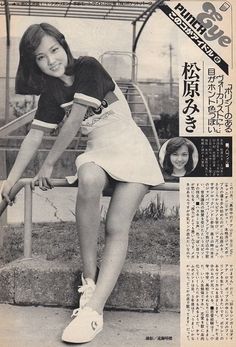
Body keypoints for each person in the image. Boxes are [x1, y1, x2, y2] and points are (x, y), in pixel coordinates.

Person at [1, 23, 164, 344]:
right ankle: (89, 281)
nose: (51, 60)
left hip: (131, 149)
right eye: (40, 57)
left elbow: (76, 119)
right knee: (87, 175)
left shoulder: (88, 66)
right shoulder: (50, 93)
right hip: (99, 152)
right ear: (33, 63)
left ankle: (93, 311)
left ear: (65, 46)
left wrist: (49, 164)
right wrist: (10, 181)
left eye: (54, 50)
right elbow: (34, 135)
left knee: (117, 225)